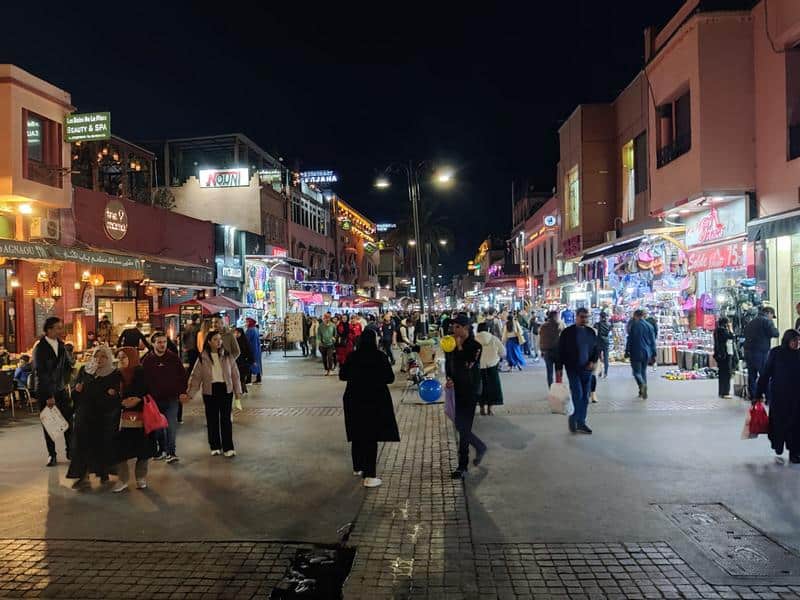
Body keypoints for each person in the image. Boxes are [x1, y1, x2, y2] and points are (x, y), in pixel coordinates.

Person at [339, 328, 399, 488]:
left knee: (357, 432)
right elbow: (390, 378)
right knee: (371, 436)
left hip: (354, 399)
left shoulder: (353, 356)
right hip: (374, 399)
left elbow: (342, 375)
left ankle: (358, 467)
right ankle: (370, 475)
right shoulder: (380, 356)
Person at [66, 346, 121, 489]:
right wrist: (76, 391)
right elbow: (76, 393)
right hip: (84, 413)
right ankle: (82, 474)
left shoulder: (113, 373)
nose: (99, 359)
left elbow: (116, 395)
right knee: (81, 444)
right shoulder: (85, 370)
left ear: (108, 358)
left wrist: (112, 394)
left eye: (103, 357)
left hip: (103, 415)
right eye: (97, 356)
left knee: (101, 444)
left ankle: (103, 472)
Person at [188, 329, 243, 457]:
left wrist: (238, 391)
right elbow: (196, 377)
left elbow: (235, 375)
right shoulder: (203, 358)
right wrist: (190, 393)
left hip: (225, 389)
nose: (219, 342)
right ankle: (215, 446)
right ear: (209, 342)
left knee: (226, 419)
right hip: (210, 391)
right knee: (212, 420)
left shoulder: (227, 355)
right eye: (215, 340)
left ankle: (228, 447)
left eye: (220, 339)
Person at [446, 314, 487, 479]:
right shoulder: (450, 344)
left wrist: (460, 347)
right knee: (460, 426)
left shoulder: (475, 346)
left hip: (470, 390)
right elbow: (450, 363)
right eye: (453, 327)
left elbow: (469, 364)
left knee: (463, 428)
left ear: (466, 328)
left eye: (457, 327)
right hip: (456, 389)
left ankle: (462, 466)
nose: (454, 330)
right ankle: (479, 446)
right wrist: (449, 378)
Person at [112, 347, 157, 493]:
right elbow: (113, 394)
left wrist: (138, 399)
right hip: (122, 420)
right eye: (119, 357)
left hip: (141, 419)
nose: (121, 360)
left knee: (143, 450)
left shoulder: (141, 372)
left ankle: (141, 478)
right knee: (120, 450)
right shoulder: (117, 375)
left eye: (124, 357)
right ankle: (123, 479)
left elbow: (150, 391)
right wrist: (118, 399)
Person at [141, 332, 188, 463]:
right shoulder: (147, 360)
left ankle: (171, 452)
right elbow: (142, 379)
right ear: (153, 344)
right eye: (159, 342)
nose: (162, 345)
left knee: (171, 426)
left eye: (164, 342)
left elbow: (182, 376)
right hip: (154, 401)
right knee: (158, 427)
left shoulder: (173, 358)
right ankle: (161, 450)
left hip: (172, 399)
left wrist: (182, 392)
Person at [32, 317, 73, 467]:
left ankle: (71, 451)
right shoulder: (40, 348)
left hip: (61, 390)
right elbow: (41, 372)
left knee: (68, 421)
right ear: (49, 329)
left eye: (61, 327)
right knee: (49, 424)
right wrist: (49, 395)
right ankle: (52, 454)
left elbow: (68, 366)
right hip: (46, 391)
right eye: (57, 328)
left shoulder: (62, 346)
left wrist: (66, 382)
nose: (60, 331)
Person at [757, 329, 800, 464]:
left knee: (796, 425)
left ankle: (794, 453)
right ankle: (778, 445)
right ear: (787, 340)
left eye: (798, 340)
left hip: (796, 397)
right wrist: (758, 393)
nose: (797, 343)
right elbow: (766, 373)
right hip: (779, 395)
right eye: (794, 340)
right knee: (778, 424)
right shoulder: (776, 353)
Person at [557, 307, 599, 434]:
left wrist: (593, 361)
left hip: (587, 369)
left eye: (586, 317)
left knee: (585, 397)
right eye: (582, 317)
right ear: (576, 317)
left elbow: (596, 349)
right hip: (573, 368)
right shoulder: (567, 333)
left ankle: (581, 422)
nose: (584, 319)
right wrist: (558, 369)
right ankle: (573, 418)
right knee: (577, 394)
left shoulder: (591, 332)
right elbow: (560, 351)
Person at [743, 306, 780, 400]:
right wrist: (773, 327)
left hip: (748, 352)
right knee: (765, 375)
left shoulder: (751, 322)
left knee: (752, 376)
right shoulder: (767, 321)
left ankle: (754, 397)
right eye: (772, 316)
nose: (772, 318)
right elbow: (775, 333)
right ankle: (768, 397)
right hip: (761, 352)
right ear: (768, 313)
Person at [625, 309, 657, 399]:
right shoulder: (650, 326)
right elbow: (653, 342)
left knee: (636, 372)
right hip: (647, 353)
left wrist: (627, 351)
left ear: (636, 316)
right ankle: (641, 391)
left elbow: (629, 339)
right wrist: (654, 354)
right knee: (643, 371)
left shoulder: (634, 325)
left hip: (636, 352)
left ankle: (642, 385)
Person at [475, 322, 506, 416]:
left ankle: (481, 408)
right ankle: (490, 409)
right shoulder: (494, 339)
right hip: (492, 366)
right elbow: (503, 352)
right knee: (492, 388)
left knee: (480, 388)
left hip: (478, 368)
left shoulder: (474, 340)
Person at [713, 317, 737, 399]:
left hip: (720, 354)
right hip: (725, 354)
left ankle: (721, 392)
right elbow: (732, 336)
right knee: (727, 373)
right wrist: (730, 328)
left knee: (722, 373)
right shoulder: (723, 330)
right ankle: (725, 392)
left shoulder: (717, 330)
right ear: (726, 323)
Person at [538, 311, 563, 388]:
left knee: (549, 372)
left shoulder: (543, 326)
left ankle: (551, 389)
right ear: (555, 316)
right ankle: (558, 388)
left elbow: (541, 339)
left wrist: (542, 350)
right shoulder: (559, 325)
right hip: (558, 352)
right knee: (558, 371)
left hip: (547, 352)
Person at [233, 327, 253, 395]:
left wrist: (251, 360)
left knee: (241, 376)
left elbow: (249, 351)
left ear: (241, 333)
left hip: (243, 362)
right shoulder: (234, 341)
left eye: (238, 333)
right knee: (238, 376)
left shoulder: (244, 341)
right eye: (235, 333)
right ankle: (242, 390)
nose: (236, 334)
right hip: (236, 361)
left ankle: (242, 390)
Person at [594, 311, 612, 378]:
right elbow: (609, 330)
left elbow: (594, 332)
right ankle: (605, 373)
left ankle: (600, 372)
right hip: (606, 342)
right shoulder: (609, 324)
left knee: (599, 358)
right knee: (606, 358)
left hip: (598, 342)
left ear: (600, 317)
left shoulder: (597, 324)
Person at [244, 318, 262, 384]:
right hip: (257, 349)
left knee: (250, 363)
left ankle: (248, 380)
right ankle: (258, 378)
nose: (246, 323)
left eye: (247, 322)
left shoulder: (250, 330)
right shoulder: (256, 329)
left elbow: (246, 340)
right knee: (257, 363)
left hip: (251, 349)